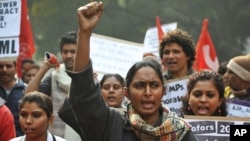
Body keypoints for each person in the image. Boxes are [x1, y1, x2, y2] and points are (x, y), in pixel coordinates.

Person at [58, 2, 199, 141]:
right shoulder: (112, 123)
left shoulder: (180, 131)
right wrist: (84, 34)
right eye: (139, 86)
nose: (148, 92)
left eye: (154, 85)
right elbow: (84, 92)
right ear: (127, 93)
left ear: (163, 91)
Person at [25, 31, 81, 140]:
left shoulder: (89, 79)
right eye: (65, 52)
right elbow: (29, 96)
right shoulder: (54, 76)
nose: (69, 56)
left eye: (73, 52)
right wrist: (45, 66)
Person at [0, 60, 26, 136]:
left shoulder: (26, 89)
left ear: (16, 68)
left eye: (8, 66)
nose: (4, 70)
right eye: (1, 67)